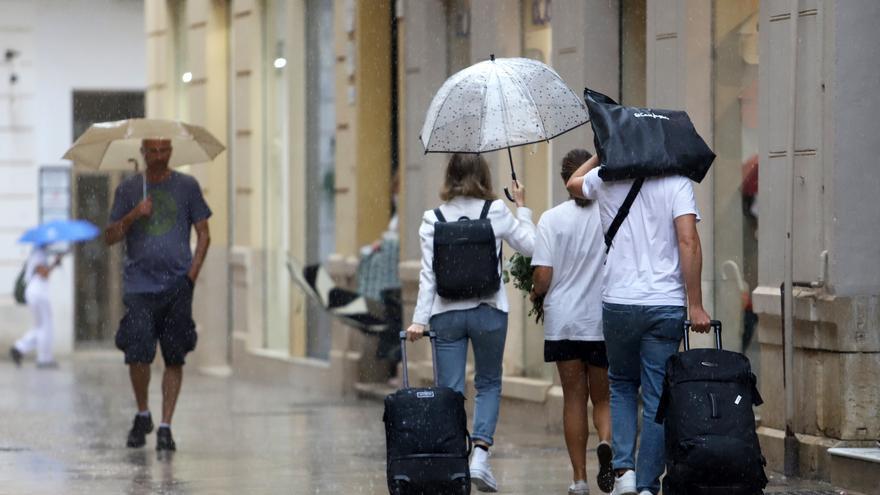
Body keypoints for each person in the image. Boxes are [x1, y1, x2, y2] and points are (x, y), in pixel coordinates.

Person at [566, 154, 711, 495]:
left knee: (621, 386)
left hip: (619, 302)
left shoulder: (607, 176)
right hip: (665, 303)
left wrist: (601, 153)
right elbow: (688, 241)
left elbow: (573, 184)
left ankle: (625, 474)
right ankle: (647, 486)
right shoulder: (677, 182)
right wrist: (696, 304)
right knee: (659, 395)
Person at [406, 153, 536, 493]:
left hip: (446, 313)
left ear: (449, 177)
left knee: (449, 392)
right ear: (483, 176)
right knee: (489, 383)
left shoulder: (431, 218)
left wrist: (419, 321)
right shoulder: (494, 211)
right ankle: (480, 454)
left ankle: (453, 464)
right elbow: (530, 246)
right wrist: (521, 206)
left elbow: (428, 276)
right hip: (489, 309)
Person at [104, 138, 211, 452]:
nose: (159, 156)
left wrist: (191, 277)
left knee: (174, 355)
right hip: (139, 286)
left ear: (171, 152)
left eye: (165, 150)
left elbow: (204, 232)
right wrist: (135, 213)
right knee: (137, 353)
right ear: (143, 153)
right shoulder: (127, 190)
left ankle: (166, 426)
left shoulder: (187, 186)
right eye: (153, 151)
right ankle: (143, 414)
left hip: (177, 285)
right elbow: (110, 236)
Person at [530, 149, 613, 495]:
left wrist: (536, 292)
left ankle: (579, 479)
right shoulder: (609, 214)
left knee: (574, 398)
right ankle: (607, 443)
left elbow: (544, 276)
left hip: (564, 322)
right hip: (601, 320)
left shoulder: (551, 219)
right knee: (604, 398)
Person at [9, 244, 63, 368]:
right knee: (45, 326)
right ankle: (44, 359)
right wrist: (54, 263)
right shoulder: (38, 254)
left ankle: (19, 348)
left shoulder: (39, 253)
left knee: (40, 327)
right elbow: (43, 273)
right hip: (38, 293)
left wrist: (54, 263)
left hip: (37, 293)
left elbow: (43, 273)